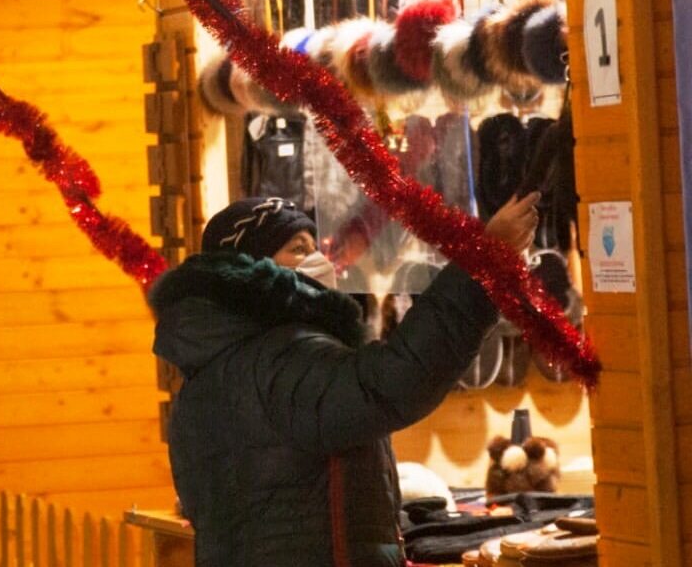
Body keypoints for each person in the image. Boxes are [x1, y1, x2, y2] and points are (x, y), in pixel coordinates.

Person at [150, 193, 539, 567]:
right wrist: (483, 263)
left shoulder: (213, 367)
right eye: (298, 249)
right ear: (250, 268)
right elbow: (393, 383)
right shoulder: (282, 359)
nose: (319, 260)